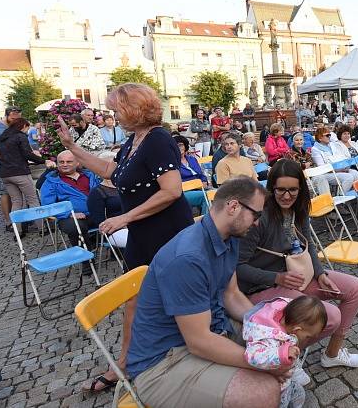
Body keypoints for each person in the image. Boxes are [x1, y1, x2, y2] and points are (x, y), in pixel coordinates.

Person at [57, 83, 194, 393]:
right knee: (135, 298)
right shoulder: (136, 140)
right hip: (145, 233)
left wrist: (124, 217)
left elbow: (172, 191)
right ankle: (124, 362)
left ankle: (176, 355)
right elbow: (111, 170)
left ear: (133, 108)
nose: (113, 115)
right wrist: (74, 148)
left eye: (116, 109)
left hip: (166, 232)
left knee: (169, 296)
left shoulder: (158, 139)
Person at [125, 177, 281, 407]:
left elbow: (232, 295)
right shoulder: (188, 258)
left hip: (210, 331)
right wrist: (263, 362)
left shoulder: (230, 235)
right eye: (256, 215)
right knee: (263, 391)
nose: (257, 223)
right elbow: (199, 342)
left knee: (284, 335)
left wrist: (271, 328)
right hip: (163, 363)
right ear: (233, 206)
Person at [236, 160, 358, 381]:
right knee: (330, 316)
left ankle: (332, 354)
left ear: (301, 189)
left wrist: (320, 273)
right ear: (271, 188)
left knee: (356, 288)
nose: (287, 196)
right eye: (281, 190)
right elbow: (237, 267)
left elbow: (308, 243)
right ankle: (287, 356)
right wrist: (277, 277)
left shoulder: (299, 209)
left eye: (293, 190)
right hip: (264, 286)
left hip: (298, 274)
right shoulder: (260, 218)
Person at [243, 296, 326, 408]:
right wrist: (281, 354)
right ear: (297, 330)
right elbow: (253, 357)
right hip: (275, 386)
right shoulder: (267, 336)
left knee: (299, 394)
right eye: (308, 336)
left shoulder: (289, 315)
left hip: (287, 381)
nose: (308, 340)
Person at [0, 118, 54, 232]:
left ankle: (18, 231)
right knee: (33, 200)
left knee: (16, 201)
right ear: (23, 126)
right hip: (20, 173)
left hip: (5, 174)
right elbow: (28, 154)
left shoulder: (4, 136)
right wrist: (44, 161)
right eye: (27, 128)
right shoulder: (20, 136)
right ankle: (42, 228)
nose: (28, 131)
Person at [310, 127, 358, 195]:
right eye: (327, 135)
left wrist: (345, 167)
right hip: (327, 173)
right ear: (320, 138)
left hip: (340, 169)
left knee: (356, 173)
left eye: (329, 135)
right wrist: (338, 170)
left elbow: (342, 157)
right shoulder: (315, 149)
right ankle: (341, 197)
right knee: (348, 177)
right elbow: (322, 167)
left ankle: (356, 196)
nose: (329, 137)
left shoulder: (332, 145)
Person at [174, 135, 210, 215]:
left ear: (185, 146)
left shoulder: (192, 159)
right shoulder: (173, 163)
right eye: (176, 146)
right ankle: (205, 224)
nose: (179, 147)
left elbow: (201, 174)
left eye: (180, 145)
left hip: (201, 188)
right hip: (185, 191)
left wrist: (204, 181)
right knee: (206, 196)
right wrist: (196, 184)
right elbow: (178, 181)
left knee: (219, 195)